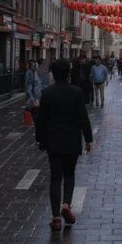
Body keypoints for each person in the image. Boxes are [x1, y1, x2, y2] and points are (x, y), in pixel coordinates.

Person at [35, 59, 93, 231]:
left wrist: (40, 139)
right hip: (72, 140)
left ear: (53, 73)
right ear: (68, 74)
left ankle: (56, 218)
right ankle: (66, 204)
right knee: (69, 174)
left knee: (55, 178)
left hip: (53, 141)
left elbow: (41, 120)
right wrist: (88, 139)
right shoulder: (77, 92)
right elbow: (83, 117)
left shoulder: (47, 93)